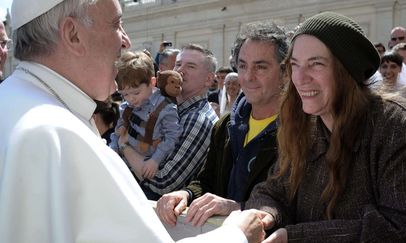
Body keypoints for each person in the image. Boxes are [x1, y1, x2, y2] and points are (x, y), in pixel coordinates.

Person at [0, 0, 266, 242]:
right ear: (73, 34)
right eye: (116, 24)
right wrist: (236, 235)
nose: (126, 41)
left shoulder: (13, 101)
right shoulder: (56, 135)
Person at [246, 12, 406, 242]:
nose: (300, 78)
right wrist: (265, 215)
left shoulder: (398, 126)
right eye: (295, 65)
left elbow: (405, 228)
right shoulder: (304, 123)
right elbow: (272, 190)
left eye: (316, 64)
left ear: (347, 70)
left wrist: (295, 237)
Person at [156, 21, 288, 227]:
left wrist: (237, 207)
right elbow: (207, 181)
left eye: (260, 67)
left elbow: (296, 208)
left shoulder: (302, 131)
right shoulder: (225, 125)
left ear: (284, 72)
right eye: (243, 65)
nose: (248, 76)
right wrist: (185, 193)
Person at [122, 43, 219, 200]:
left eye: (191, 66)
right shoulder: (167, 107)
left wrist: (124, 147)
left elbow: (164, 183)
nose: (180, 70)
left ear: (208, 80)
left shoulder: (198, 118)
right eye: (178, 64)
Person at [110, 50, 182, 181]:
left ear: (152, 82)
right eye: (125, 94)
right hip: (126, 168)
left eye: (136, 93)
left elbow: (172, 136)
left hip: (149, 168)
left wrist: (155, 160)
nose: (131, 99)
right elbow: (118, 133)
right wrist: (113, 149)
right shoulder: (126, 107)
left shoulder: (165, 108)